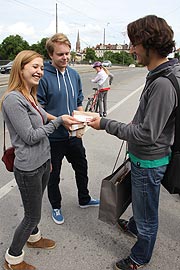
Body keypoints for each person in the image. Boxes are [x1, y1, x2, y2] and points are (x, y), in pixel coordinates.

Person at [88, 15, 180, 270]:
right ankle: (135, 226)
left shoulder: (162, 82)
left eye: (134, 43)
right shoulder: (161, 73)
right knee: (142, 202)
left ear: (149, 43)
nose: (131, 50)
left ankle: (139, 257)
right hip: (146, 158)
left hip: (150, 161)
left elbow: (147, 134)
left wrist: (105, 124)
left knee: (147, 212)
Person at [0, 50, 80, 270]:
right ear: (21, 68)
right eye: (34, 67)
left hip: (43, 162)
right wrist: (58, 122)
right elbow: (30, 136)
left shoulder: (30, 94)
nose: (39, 71)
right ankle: (12, 258)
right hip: (28, 168)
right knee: (32, 214)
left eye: (41, 67)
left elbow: (45, 117)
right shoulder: (13, 100)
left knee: (33, 210)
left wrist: (65, 120)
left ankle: (33, 238)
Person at [37, 33, 99, 225]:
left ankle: (84, 198)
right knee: (53, 175)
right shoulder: (43, 76)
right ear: (50, 55)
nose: (65, 57)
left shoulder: (74, 74)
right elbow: (38, 109)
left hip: (73, 135)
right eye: (60, 54)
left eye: (67, 53)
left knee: (82, 167)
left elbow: (79, 101)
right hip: (54, 137)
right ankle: (56, 206)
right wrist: (59, 121)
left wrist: (82, 121)